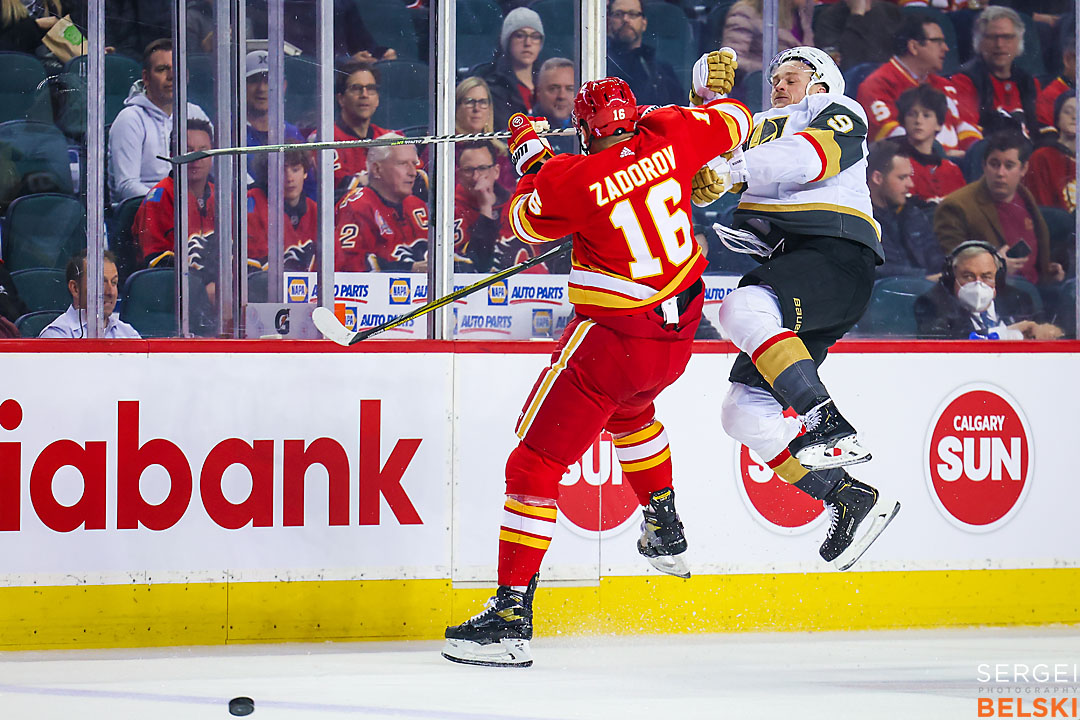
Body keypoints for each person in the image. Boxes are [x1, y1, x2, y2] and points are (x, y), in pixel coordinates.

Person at [442, 71, 752, 668]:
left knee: (533, 462)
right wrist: (703, 97)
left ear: (584, 131)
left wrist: (532, 155)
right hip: (675, 340)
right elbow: (735, 118)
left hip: (613, 341)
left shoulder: (574, 177)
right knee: (632, 410)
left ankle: (510, 617)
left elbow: (527, 222)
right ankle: (663, 523)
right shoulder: (672, 132)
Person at [695, 47, 900, 577]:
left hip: (837, 257)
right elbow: (690, 155)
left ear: (821, 81)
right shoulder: (755, 127)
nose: (780, 85)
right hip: (798, 271)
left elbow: (810, 156)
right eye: (775, 79)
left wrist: (731, 166)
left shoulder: (835, 108)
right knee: (742, 413)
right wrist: (705, 98)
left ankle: (827, 423)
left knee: (740, 305)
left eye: (793, 77)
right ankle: (846, 496)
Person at [934, 131, 1064, 287]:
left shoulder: (1024, 195)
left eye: (1009, 166)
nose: (1000, 173)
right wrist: (994, 268)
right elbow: (954, 268)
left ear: (1023, 169)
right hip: (998, 295)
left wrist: (1048, 271)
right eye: (994, 164)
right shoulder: (955, 206)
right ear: (984, 165)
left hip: (1038, 288)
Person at [856, 13, 978, 156]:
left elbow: (967, 128)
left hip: (953, 168)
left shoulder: (945, 86)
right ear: (913, 47)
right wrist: (941, 155)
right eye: (937, 41)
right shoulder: (877, 85)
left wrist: (974, 156)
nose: (946, 48)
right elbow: (893, 139)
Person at [108, 38, 212, 207]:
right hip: (145, 211)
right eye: (162, 69)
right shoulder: (130, 119)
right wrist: (171, 203)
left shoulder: (195, 112)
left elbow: (222, 166)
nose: (171, 76)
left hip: (191, 209)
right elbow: (126, 186)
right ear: (146, 78)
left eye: (176, 69)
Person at [914, 241, 1063, 340]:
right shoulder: (932, 303)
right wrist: (1003, 334)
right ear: (952, 277)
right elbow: (947, 345)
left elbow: (1044, 333)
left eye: (986, 276)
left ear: (997, 279)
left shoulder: (1019, 299)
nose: (978, 284)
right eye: (968, 276)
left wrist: (1048, 332)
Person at [333, 136, 427, 272]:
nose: (413, 173)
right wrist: (408, 269)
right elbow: (350, 266)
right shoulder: (356, 206)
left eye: (414, 164)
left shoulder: (416, 205)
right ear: (377, 169)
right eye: (403, 164)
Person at [950, 6, 1041, 139]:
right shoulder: (964, 80)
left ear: (1018, 42)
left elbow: (1039, 129)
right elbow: (969, 131)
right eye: (991, 37)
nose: (999, 45)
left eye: (1007, 37)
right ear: (979, 42)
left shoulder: (1029, 82)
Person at [316, 60, 395, 201]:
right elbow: (337, 191)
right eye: (356, 88)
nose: (364, 94)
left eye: (370, 88)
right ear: (341, 99)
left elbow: (419, 177)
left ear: (377, 99)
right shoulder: (325, 138)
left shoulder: (390, 137)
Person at [867, 140, 942, 280]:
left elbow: (936, 259)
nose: (910, 184)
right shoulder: (860, 221)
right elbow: (877, 270)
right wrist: (924, 279)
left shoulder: (913, 213)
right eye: (902, 178)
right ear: (877, 178)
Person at [247, 146, 319, 273]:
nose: (290, 179)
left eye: (295, 170)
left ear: (305, 172)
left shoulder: (315, 210)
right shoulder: (252, 201)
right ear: (268, 174)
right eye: (281, 171)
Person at [39, 250, 141, 339]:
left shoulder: (129, 334)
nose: (110, 292)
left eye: (114, 282)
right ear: (75, 288)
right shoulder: (57, 336)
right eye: (101, 283)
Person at [243, 50, 307, 191]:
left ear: (283, 86)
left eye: (269, 81)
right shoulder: (228, 132)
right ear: (241, 85)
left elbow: (310, 189)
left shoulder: (292, 133)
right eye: (254, 81)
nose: (261, 88)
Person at [472, 7, 544, 130]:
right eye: (520, 36)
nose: (528, 43)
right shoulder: (491, 84)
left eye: (535, 36)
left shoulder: (548, 81)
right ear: (507, 40)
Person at [893, 85, 966, 204]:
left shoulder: (952, 170)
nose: (918, 121)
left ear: (939, 124)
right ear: (904, 121)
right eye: (912, 114)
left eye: (926, 115)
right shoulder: (897, 168)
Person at [606, 0, 682, 107]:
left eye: (633, 14)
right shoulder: (600, 64)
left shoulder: (662, 70)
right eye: (618, 14)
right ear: (608, 21)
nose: (626, 19)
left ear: (644, 23)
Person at [720, 0, 814, 77]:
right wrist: (774, 70)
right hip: (761, 89)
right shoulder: (745, 12)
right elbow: (732, 59)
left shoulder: (801, 13)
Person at [453, 140, 507, 273]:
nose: (476, 177)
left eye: (482, 168)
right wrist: (485, 208)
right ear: (459, 174)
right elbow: (478, 266)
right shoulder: (449, 209)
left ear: (496, 171)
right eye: (468, 170)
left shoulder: (515, 204)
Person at [455, 76, 515, 192]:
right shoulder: (442, 149)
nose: (476, 108)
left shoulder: (499, 151)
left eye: (482, 102)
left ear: (489, 109)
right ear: (456, 108)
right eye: (469, 102)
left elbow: (510, 193)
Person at [814, 0, 903, 71]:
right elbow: (847, 58)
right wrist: (857, 14)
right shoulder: (829, 17)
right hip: (851, 79)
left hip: (887, 74)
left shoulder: (890, 11)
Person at [1025, 91, 1076, 213]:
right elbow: (1044, 211)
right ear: (1057, 119)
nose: (1074, 117)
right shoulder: (1042, 157)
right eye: (1068, 111)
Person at [531, 57, 578, 156]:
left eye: (570, 89)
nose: (562, 96)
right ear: (538, 92)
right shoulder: (524, 132)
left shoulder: (587, 128)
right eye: (553, 89)